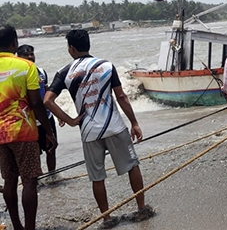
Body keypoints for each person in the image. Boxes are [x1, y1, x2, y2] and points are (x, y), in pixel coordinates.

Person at [43, 30, 153, 229]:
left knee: (97, 177)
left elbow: (47, 100)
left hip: (89, 132)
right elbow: (121, 97)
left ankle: (107, 218)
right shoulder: (106, 66)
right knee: (132, 166)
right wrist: (134, 123)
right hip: (115, 127)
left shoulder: (65, 71)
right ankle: (141, 207)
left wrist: (69, 120)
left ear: (71, 48)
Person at [0, 24, 56, 230]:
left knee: (9, 181)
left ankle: (17, 226)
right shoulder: (26, 66)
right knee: (29, 181)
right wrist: (48, 132)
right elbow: (35, 102)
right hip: (24, 131)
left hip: (0, 135)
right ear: (15, 43)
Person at [16, 45, 58, 173]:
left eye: (31, 54)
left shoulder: (41, 72)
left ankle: (52, 175)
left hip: (46, 117)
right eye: (26, 55)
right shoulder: (19, 74)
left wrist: (57, 113)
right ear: (19, 57)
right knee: (34, 153)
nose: (30, 57)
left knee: (51, 148)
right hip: (29, 120)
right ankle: (37, 178)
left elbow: (47, 95)